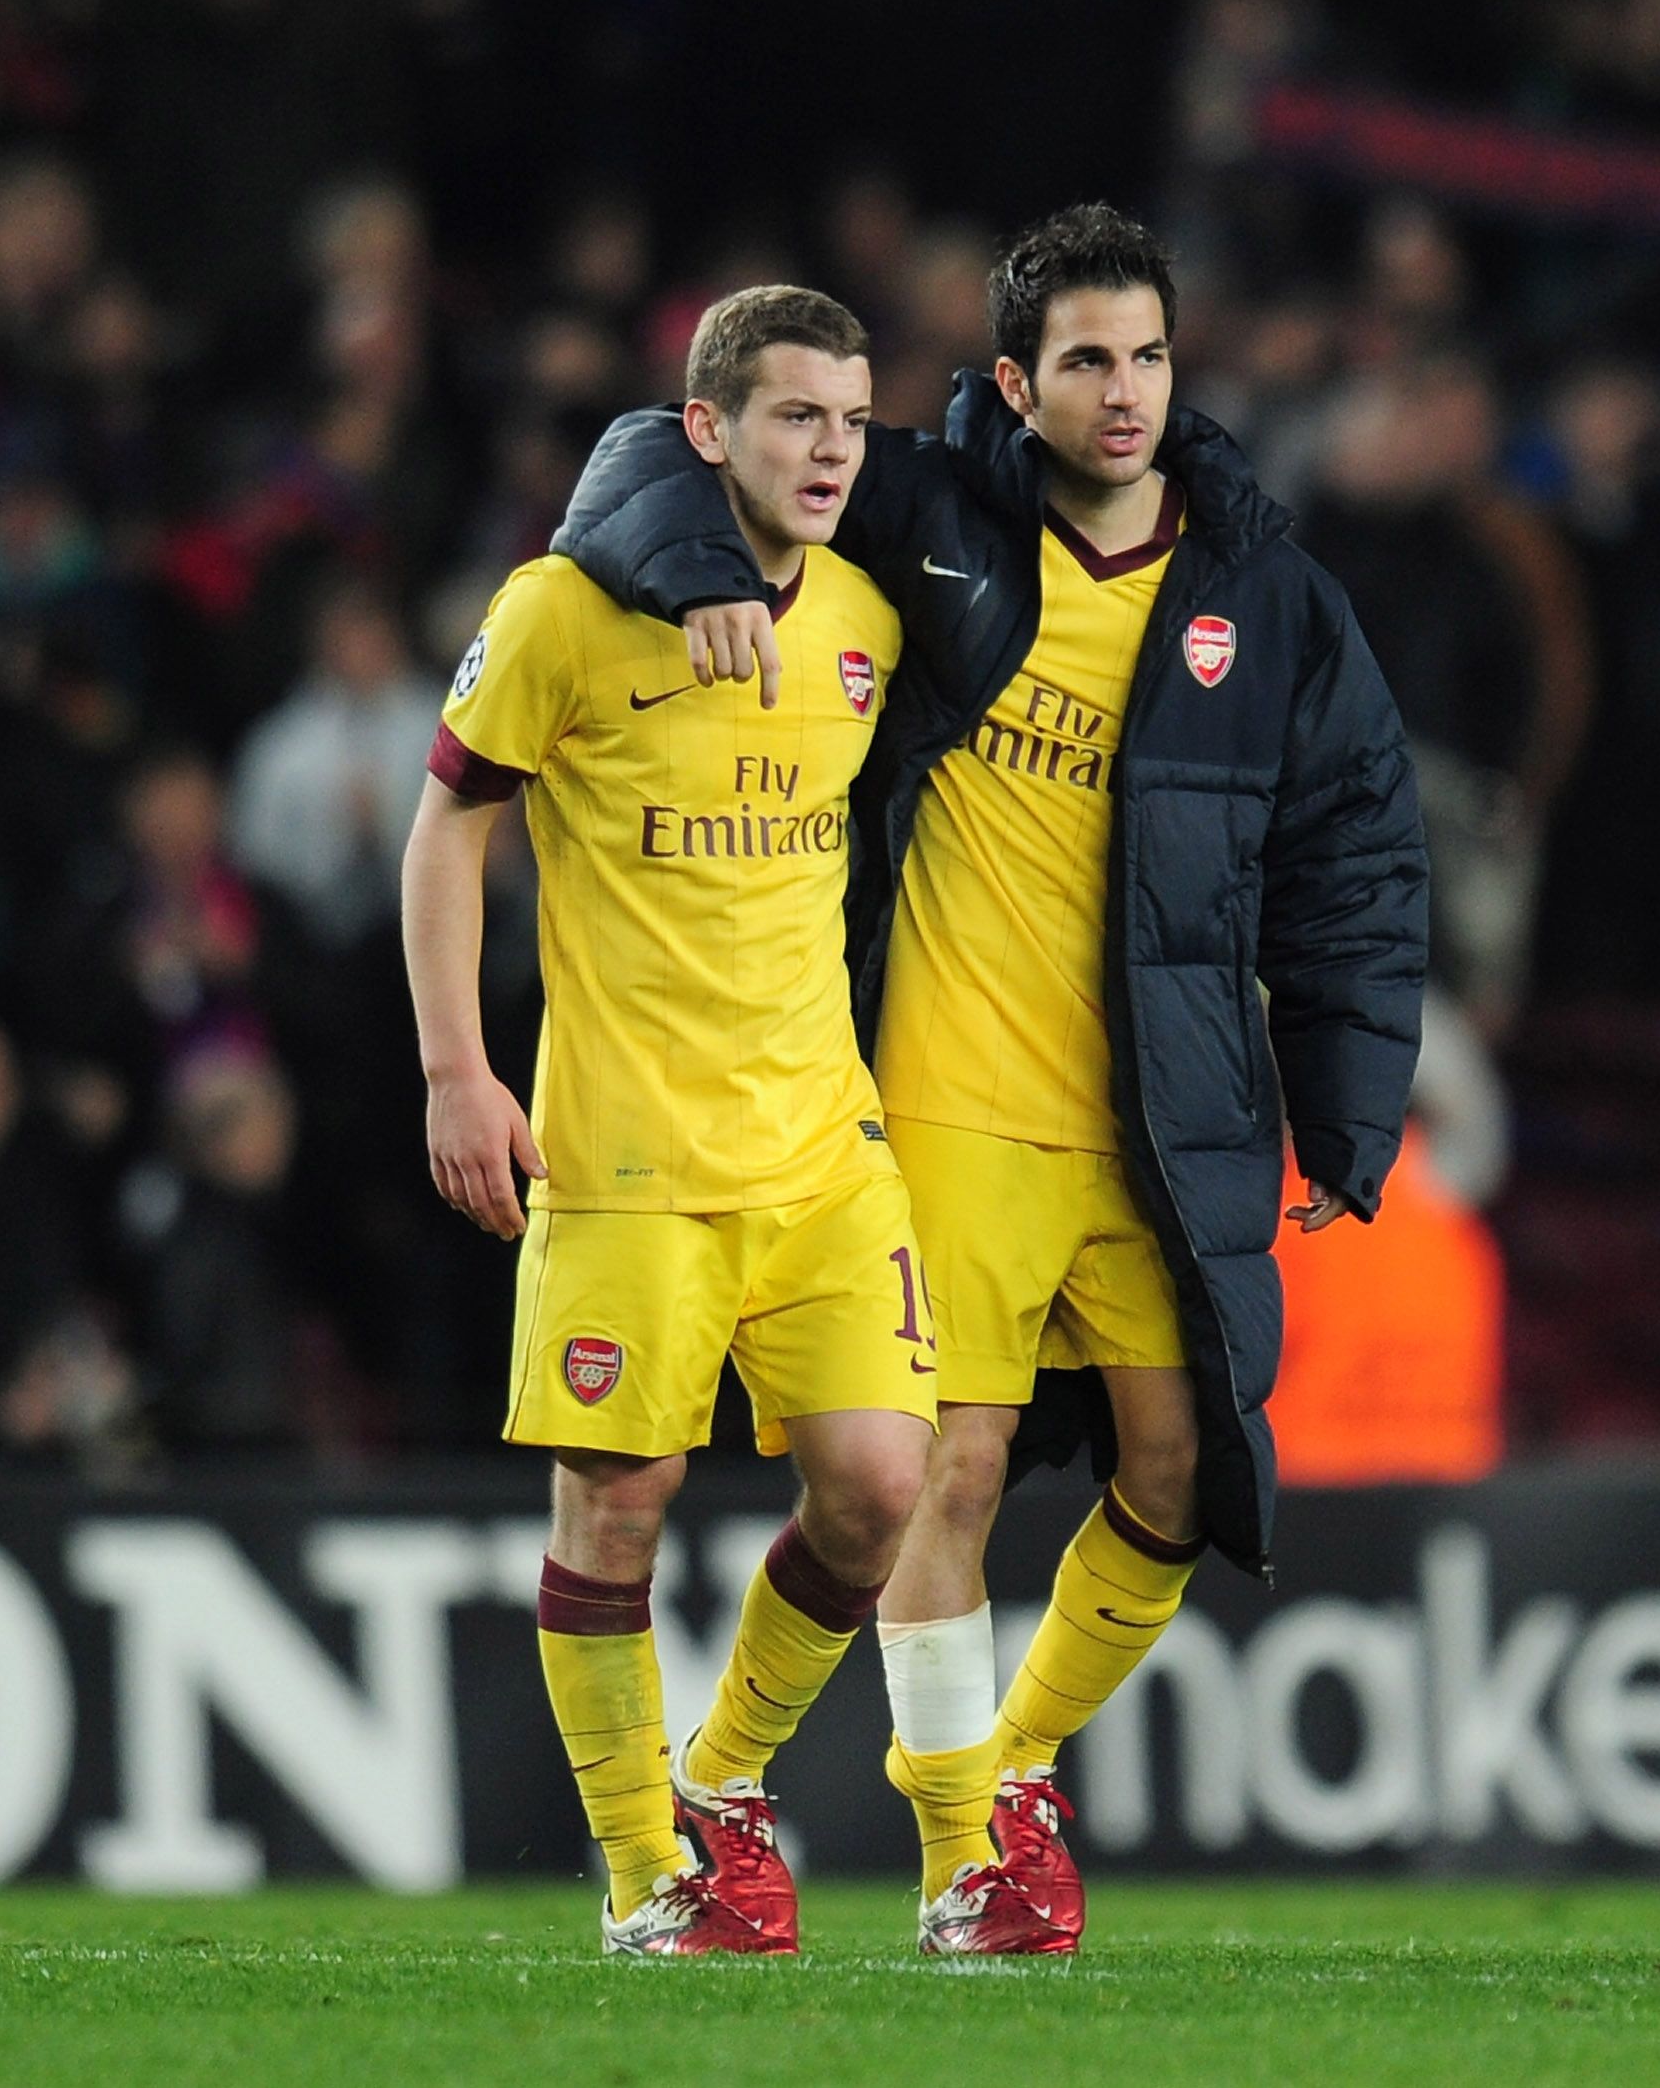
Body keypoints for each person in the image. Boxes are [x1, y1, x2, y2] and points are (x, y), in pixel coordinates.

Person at [560, 205, 1428, 1954]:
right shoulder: (928, 511)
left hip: (1156, 1113)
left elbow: (1356, 844)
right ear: (1017, 380)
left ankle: (993, 1765)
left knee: (1180, 1475)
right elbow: (656, 451)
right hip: (940, 1094)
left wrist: (1343, 1099)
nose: (1126, 396)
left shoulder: (1263, 593)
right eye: (1088, 361)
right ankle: (958, 1852)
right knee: (941, 1475)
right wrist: (709, 569)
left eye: (1151, 357)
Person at [400, 286, 935, 1959]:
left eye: (850, 417)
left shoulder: (865, 616)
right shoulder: (564, 610)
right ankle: (647, 1875)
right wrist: (455, 1067)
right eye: (794, 415)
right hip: (623, 1151)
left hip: (820, 1146)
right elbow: (444, 830)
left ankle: (721, 1779)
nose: (831, 447)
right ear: (706, 431)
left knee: (876, 1485)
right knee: (618, 1501)